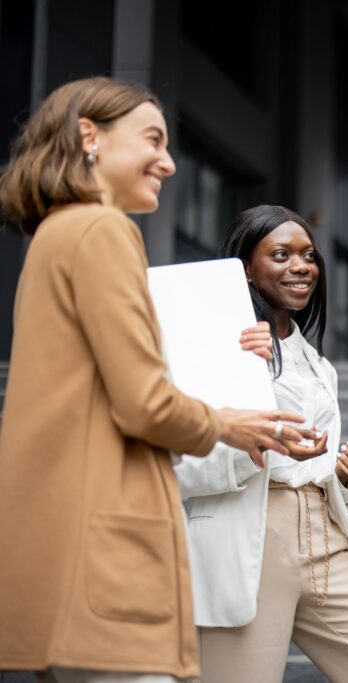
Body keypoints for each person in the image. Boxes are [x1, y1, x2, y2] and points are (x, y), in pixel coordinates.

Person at [0, 77, 305, 683]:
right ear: (89, 137)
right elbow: (141, 401)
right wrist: (228, 422)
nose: (168, 162)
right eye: (153, 140)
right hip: (105, 542)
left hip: (57, 536)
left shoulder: (55, 235)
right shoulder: (102, 229)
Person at [173, 205, 348, 683]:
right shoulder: (217, 347)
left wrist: (342, 474)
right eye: (280, 254)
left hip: (324, 542)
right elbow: (177, 462)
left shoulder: (318, 366)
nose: (301, 266)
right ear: (245, 268)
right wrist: (261, 444)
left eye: (308, 255)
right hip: (249, 540)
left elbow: (311, 468)